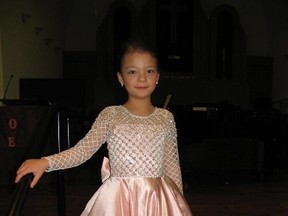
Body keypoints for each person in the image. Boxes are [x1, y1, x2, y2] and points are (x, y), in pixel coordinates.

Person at [15, 37, 193, 216]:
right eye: (132, 72)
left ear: (157, 77)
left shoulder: (165, 118)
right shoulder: (110, 115)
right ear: (120, 77)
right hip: (118, 201)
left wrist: (179, 204)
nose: (142, 78)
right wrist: (46, 162)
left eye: (149, 71)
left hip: (157, 201)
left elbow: (172, 167)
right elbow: (82, 151)